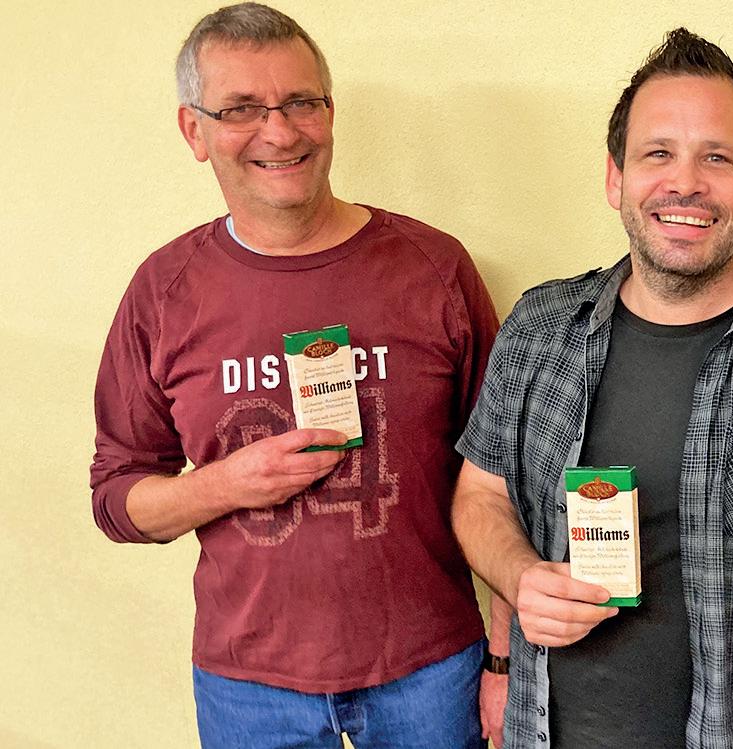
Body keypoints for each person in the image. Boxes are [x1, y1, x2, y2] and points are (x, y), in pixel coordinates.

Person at [451, 28, 733, 749]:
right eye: (658, 153)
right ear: (616, 178)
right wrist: (518, 576)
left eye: (717, 158)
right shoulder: (537, 329)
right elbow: (480, 497)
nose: (686, 183)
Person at [89, 4, 499, 746]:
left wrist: (505, 658)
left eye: (301, 102)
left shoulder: (434, 268)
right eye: (242, 108)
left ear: (329, 114)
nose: (280, 133)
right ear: (194, 131)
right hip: (248, 685)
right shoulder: (163, 291)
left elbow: (506, 479)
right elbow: (116, 499)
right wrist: (224, 485)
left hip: (431, 669)